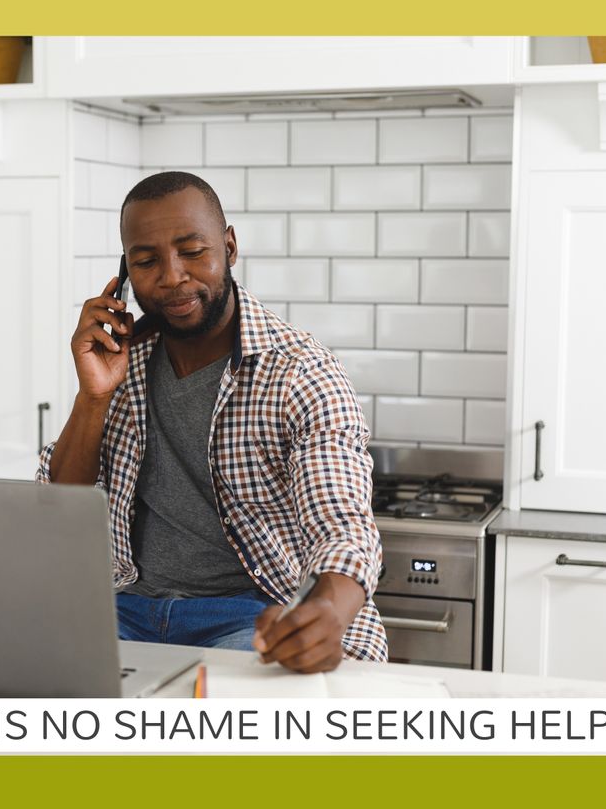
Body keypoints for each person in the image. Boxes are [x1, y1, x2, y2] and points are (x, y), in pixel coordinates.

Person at [37, 171, 386, 671]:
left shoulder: (299, 371)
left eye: (193, 251)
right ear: (125, 272)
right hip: (124, 608)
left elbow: (342, 524)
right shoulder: (120, 362)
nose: (172, 276)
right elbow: (57, 510)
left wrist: (327, 611)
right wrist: (93, 397)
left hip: (251, 613)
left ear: (230, 247)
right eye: (146, 261)